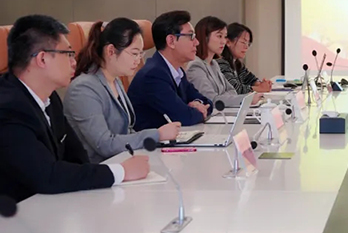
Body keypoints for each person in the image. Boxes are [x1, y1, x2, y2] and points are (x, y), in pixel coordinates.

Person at [0, 15, 149, 202]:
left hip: (49, 205)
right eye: (68, 54)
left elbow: (77, 156)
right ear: (42, 59)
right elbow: (47, 176)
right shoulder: (8, 107)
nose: (74, 62)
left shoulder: (50, 97)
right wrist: (121, 171)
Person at [64, 19, 182, 163]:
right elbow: (104, 144)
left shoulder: (115, 81)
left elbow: (127, 131)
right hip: (98, 169)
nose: (138, 60)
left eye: (141, 54)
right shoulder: (83, 89)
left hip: (122, 162)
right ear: (111, 51)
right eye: (134, 53)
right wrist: (157, 134)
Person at [128, 11, 213, 131]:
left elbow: (208, 103)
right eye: (191, 36)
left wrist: (198, 103)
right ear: (171, 41)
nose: (197, 42)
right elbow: (184, 117)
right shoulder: (153, 75)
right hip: (151, 142)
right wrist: (198, 111)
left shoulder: (176, 71)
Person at [186, 17, 260, 107]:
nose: (223, 41)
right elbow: (211, 100)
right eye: (219, 36)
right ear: (205, 37)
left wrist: (222, 97)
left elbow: (232, 91)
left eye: (225, 37)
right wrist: (246, 99)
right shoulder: (196, 65)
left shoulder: (214, 64)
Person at [218, 23, 272, 94]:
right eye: (243, 42)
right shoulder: (221, 63)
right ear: (228, 42)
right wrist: (260, 88)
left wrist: (261, 84)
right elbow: (235, 89)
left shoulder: (237, 64)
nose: (246, 47)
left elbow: (250, 79)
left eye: (248, 44)